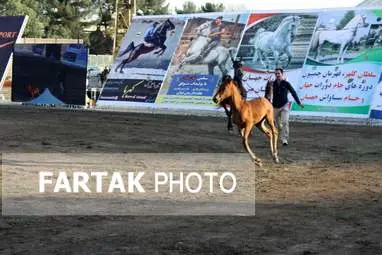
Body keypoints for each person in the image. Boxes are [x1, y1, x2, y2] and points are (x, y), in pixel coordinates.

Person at [265, 68, 304, 146]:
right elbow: (267, 94)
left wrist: (298, 102)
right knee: (276, 124)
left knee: (285, 122)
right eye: (276, 74)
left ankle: (284, 139)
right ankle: (276, 136)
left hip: (285, 106)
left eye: (278, 73)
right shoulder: (272, 84)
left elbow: (293, 92)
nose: (277, 75)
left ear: (282, 74)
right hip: (275, 107)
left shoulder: (286, 84)